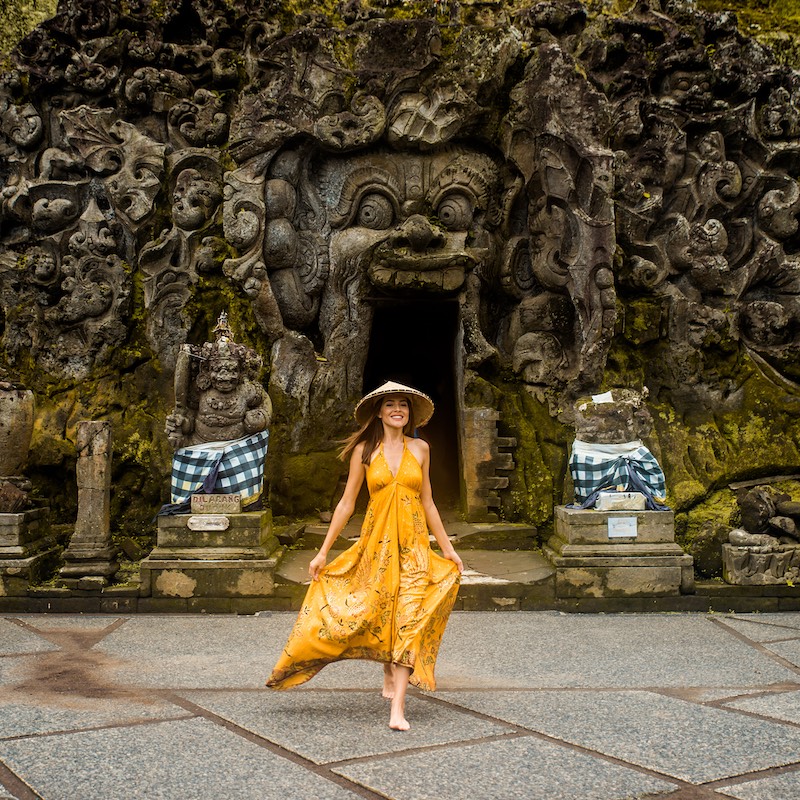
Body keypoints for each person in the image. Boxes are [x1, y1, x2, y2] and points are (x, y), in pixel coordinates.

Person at [265, 380, 463, 731]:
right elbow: (346, 503)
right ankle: (385, 667)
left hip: (414, 547)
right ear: (379, 411)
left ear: (410, 412)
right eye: (390, 404)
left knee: (408, 619)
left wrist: (447, 548)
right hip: (377, 546)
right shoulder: (364, 451)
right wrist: (322, 551)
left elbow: (428, 501)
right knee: (373, 608)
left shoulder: (421, 449)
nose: (397, 409)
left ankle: (398, 709)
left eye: (403, 404)